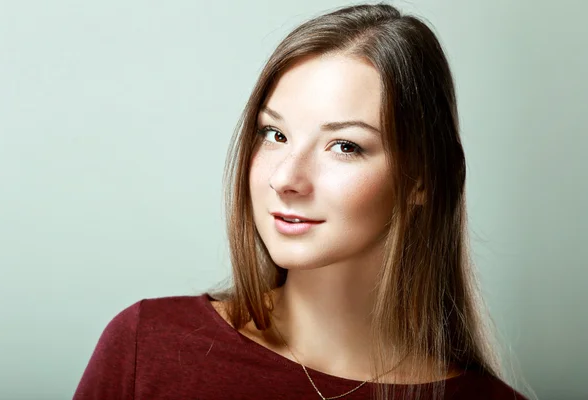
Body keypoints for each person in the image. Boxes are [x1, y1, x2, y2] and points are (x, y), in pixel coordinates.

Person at [73, 3, 529, 400]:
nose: (286, 178)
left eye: (345, 146)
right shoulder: (146, 346)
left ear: (422, 181)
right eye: (275, 134)